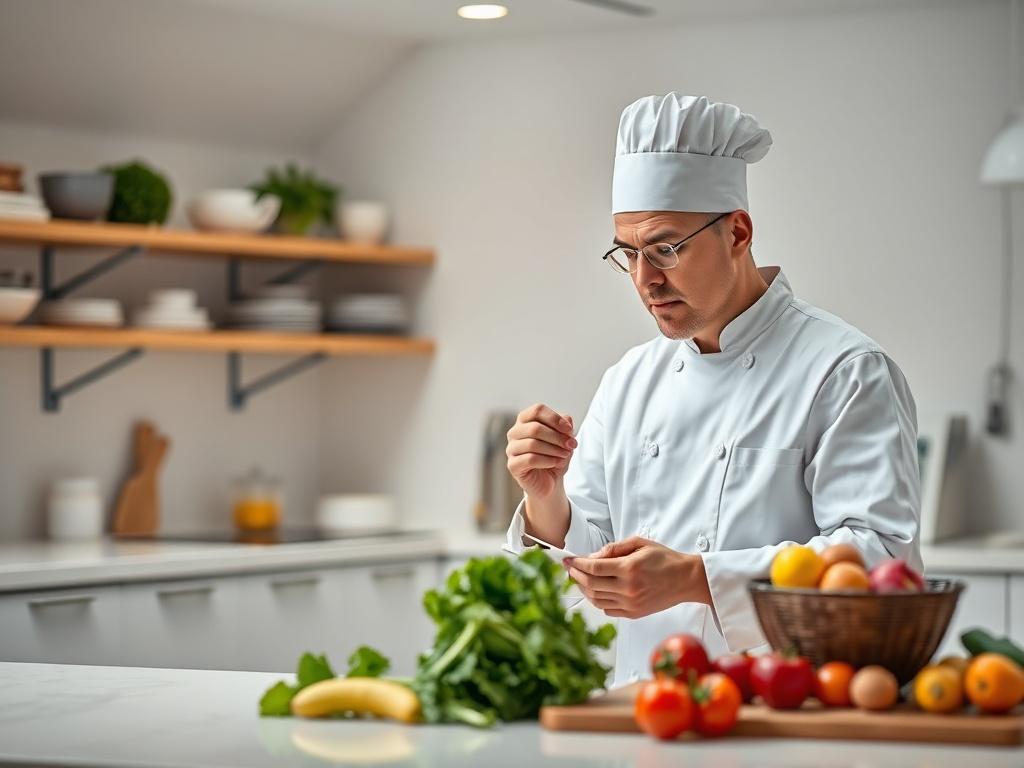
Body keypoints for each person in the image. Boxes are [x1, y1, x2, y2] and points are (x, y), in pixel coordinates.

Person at [504, 93, 921, 687]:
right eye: (628, 253)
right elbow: (582, 561)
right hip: (646, 709)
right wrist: (546, 497)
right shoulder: (629, 380)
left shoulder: (844, 370)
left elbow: (881, 563)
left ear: (738, 233)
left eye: (665, 249)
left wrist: (695, 577)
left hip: (782, 712)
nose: (646, 279)